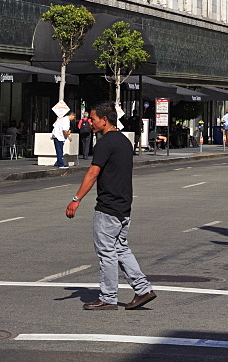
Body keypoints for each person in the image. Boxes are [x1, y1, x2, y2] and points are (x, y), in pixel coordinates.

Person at [65, 101, 156, 311]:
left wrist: (76, 199)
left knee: (107, 252)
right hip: (124, 206)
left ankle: (107, 297)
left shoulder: (104, 144)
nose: (90, 122)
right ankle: (143, 289)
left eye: (93, 118)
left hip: (108, 206)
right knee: (120, 248)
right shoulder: (124, 142)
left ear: (104, 120)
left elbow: (93, 173)